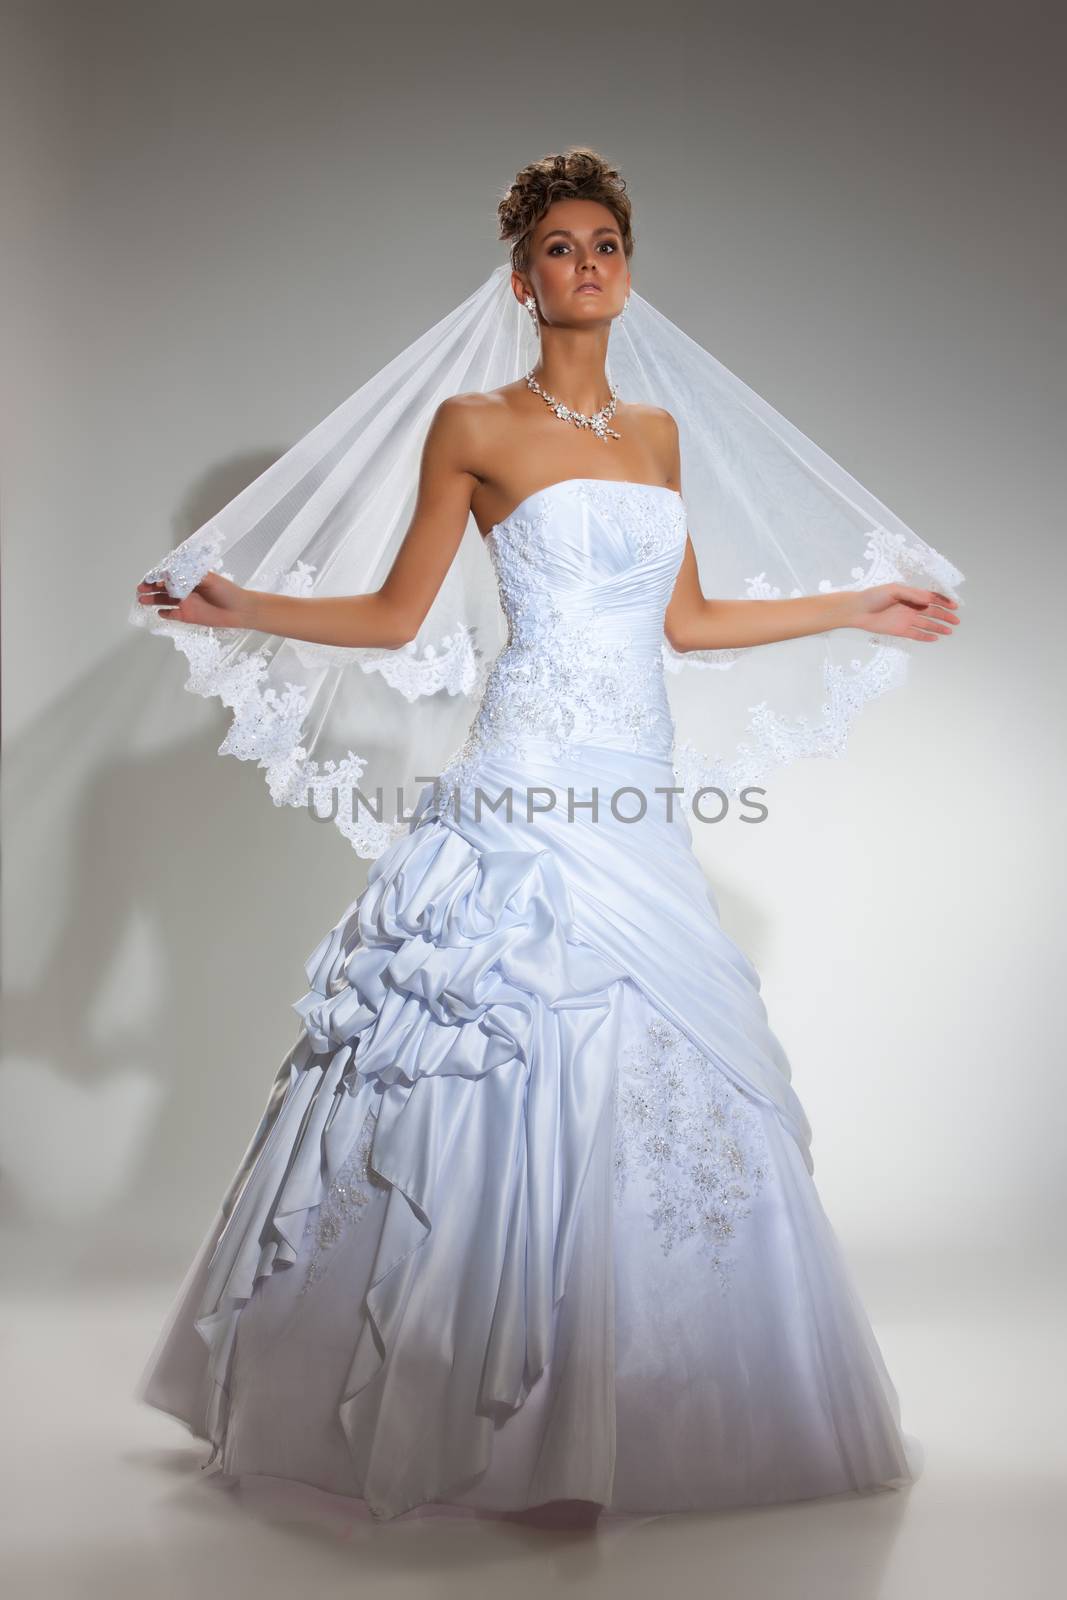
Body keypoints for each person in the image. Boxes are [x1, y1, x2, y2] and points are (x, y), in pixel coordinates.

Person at [132, 149, 961, 1529]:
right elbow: (398, 616)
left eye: (608, 245)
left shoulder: (657, 439)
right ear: (521, 281)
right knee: (486, 1030)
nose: (589, 265)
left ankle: (644, 1400)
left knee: (655, 1047)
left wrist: (855, 607)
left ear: (629, 271)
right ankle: (462, 1402)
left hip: (632, 779)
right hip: (526, 777)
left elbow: (684, 623)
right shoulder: (471, 422)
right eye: (563, 248)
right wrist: (244, 607)